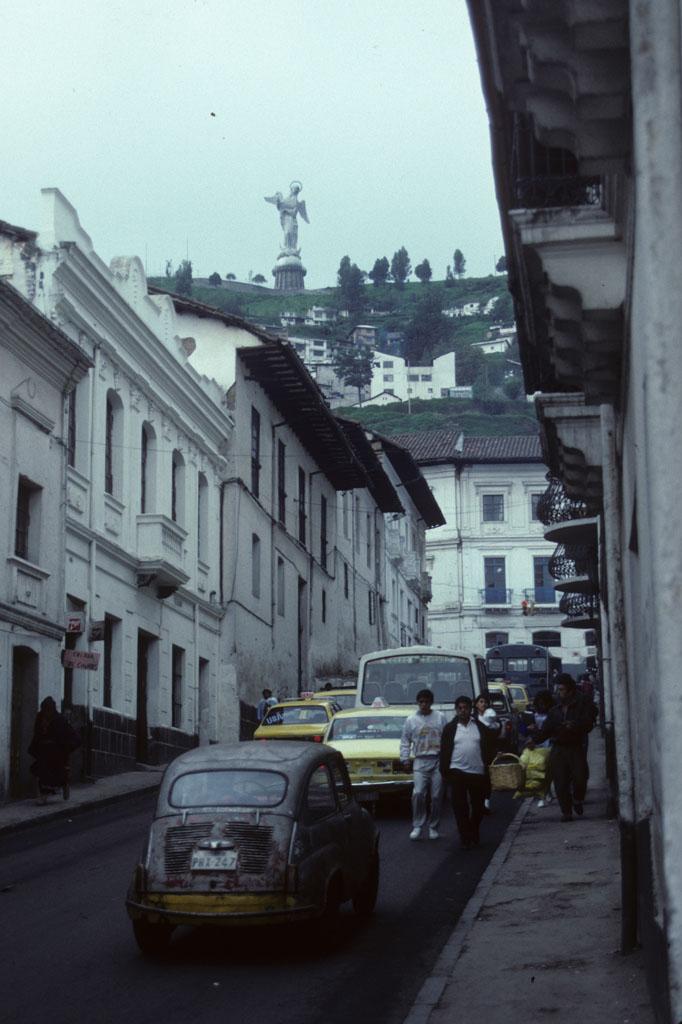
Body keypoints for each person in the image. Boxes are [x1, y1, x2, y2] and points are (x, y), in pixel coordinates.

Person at [527, 673, 593, 822]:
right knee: (560, 782)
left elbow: (589, 723)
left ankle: (577, 799)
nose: (559, 692)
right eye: (557, 689)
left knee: (580, 778)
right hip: (558, 748)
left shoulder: (581, 704)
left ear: (570, 690)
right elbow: (546, 730)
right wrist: (534, 740)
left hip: (575, 746)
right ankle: (566, 812)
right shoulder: (554, 709)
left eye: (562, 689)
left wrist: (575, 726)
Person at [440, 695, 496, 849]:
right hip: (457, 771)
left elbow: (490, 745)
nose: (463, 711)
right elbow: (444, 751)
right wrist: (444, 771)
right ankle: (465, 836)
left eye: (465, 708)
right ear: (456, 710)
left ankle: (474, 829)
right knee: (459, 806)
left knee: (478, 807)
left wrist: (488, 761)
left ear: (471, 709)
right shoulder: (450, 729)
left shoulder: (479, 727)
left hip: (477, 772)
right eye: (460, 708)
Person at [400, 689, 447, 841]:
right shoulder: (411, 720)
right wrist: (405, 759)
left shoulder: (440, 717)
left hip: (437, 760)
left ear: (431, 702)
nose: (424, 704)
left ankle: (433, 827)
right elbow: (405, 741)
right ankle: (418, 825)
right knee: (418, 793)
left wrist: (448, 760)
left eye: (427, 702)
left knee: (436, 796)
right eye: (421, 702)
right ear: (418, 703)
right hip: (420, 761)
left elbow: (447, 739)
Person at [28, 697, 81, 804]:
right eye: (44, 710)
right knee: (40, 771)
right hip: (43, 751)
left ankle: (51, 791)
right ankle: (43, 795)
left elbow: (70, 737)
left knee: (54, 773)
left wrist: (65, 749)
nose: (46, 713)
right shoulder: (40, 718)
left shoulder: (60, 720)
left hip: (56, 752)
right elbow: (37, 734)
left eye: (48, 710)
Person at [473, 692, 500, 813]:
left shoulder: (491, 716)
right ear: (476, 704)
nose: (483, 704)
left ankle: (486, 800)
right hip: (474, 751)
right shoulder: (473, 718)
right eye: (481, 702)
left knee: (486, 776)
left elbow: (496, 732)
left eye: (485, 702)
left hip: (488, 751)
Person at [264, 182, 309, 252]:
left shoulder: (297, 202)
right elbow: (280, 207)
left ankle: (292, 248)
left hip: (293, 220)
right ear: (291, 189)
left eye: (297, 189)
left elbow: (294, 212)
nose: (296, 190)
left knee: (293, 234)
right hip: (286, 219)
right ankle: (287, 247)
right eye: (295, 189)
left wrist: (286, 210)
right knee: (287, 232)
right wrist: (278, 201)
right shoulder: (286, 199)